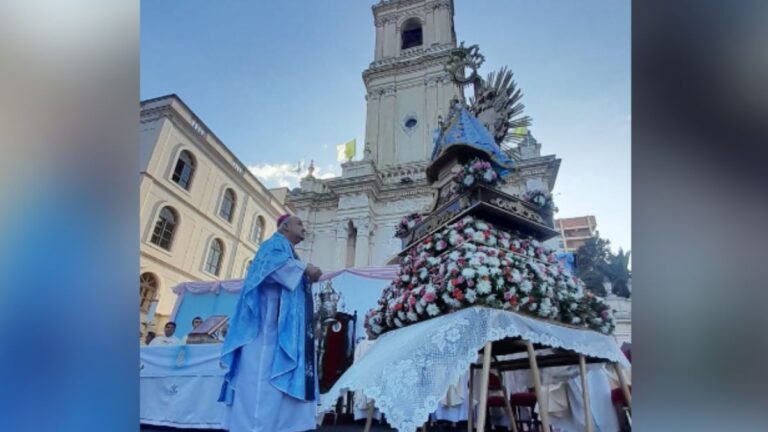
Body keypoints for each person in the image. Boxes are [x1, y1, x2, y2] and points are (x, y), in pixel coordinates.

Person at [219, 214, 323, 432]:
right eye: (300, 223)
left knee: (272, 385)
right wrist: (306, 268)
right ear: (285, 227)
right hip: (263, 331)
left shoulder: (288, 250)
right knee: (260, 384)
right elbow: (272, 267)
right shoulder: (273, 245)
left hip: (279, 331)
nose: (304, 228)